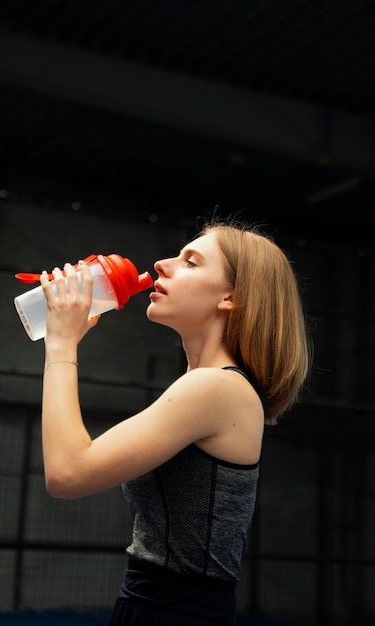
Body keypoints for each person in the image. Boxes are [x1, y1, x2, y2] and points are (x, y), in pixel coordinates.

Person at [39, 217, 311, 626]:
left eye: (190, 262)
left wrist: (61, 342)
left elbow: (67, 472)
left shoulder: (216, 389)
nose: (163, 264)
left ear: (231, 298)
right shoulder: (205, 386)